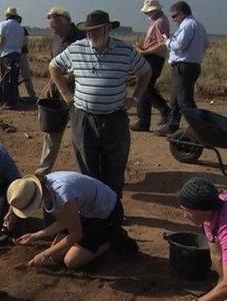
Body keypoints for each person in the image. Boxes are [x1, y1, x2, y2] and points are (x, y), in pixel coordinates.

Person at [49, 10, 151, 197]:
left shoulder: (125, 50)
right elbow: (54, 67)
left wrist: (136, 97)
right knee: (88, 168)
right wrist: (66, 95)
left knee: (115, 167)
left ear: (107, 29)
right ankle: (93, 209)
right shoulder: (76, 49)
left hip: (115, 118)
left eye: (95, 30)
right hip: (84, 118)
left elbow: (145, 71)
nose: (90, 35)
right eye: (88, 31)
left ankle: (112, 210)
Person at [6, 171, 136, 269]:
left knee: (71, 261)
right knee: (56, 256)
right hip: (87, 213)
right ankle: (95, 240)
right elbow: (64, 221)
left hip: (107, 214)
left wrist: (43, 254)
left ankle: (113, 238)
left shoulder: (62, 195)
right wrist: (34, 236)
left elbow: (76, 234)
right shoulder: (47, 187)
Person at [36, 7, 85, 175]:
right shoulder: (56, 39)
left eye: (56, 27)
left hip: (79, 95)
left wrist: (62, 79)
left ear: (67, 23)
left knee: (81, 136)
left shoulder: (81, 39)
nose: (53, 30)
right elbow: (54, 65)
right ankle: (43, 171)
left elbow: (85, 68)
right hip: (58, 94)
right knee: (52, 131)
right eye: (52, 27)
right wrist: (51, 82)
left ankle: (88, 174)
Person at [156, 1, 209, 136]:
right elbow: (205, 44)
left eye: (174, 16)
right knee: (175, 99)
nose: (173, 20)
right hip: (192, 65)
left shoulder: (187, 25)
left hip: (184, 66)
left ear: (182, 13)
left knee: (185, 101)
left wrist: (167, 41)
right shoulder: (199, 25)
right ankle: (172, 125)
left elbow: (180, 45)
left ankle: (201, 129)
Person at [131, 0, 171, 132]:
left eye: (148, 11)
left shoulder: (160, 22)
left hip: (154, 58)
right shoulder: (156, 21)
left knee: (146, 86)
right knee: (144, 87)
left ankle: (164, 110)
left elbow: (163, 44)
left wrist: (145, 51)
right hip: (151, 57)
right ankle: (144, 121)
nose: (146, 14)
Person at [0, 7, 24, 109]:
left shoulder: (3, 25)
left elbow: (1, 40)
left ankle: (7, 102)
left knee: (5, 79)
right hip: (17, 55)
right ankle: (15, 101)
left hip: (6, 55)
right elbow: (21, 43)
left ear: (7, 15)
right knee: (15, 79)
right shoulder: (20, 28)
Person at [17, 16, 37, 103]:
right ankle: (16, 95)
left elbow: (25, 42)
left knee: (25, 75)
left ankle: (32, 95)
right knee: (15, 76)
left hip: (20, 54)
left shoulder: (22, 29)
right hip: (16, 54)